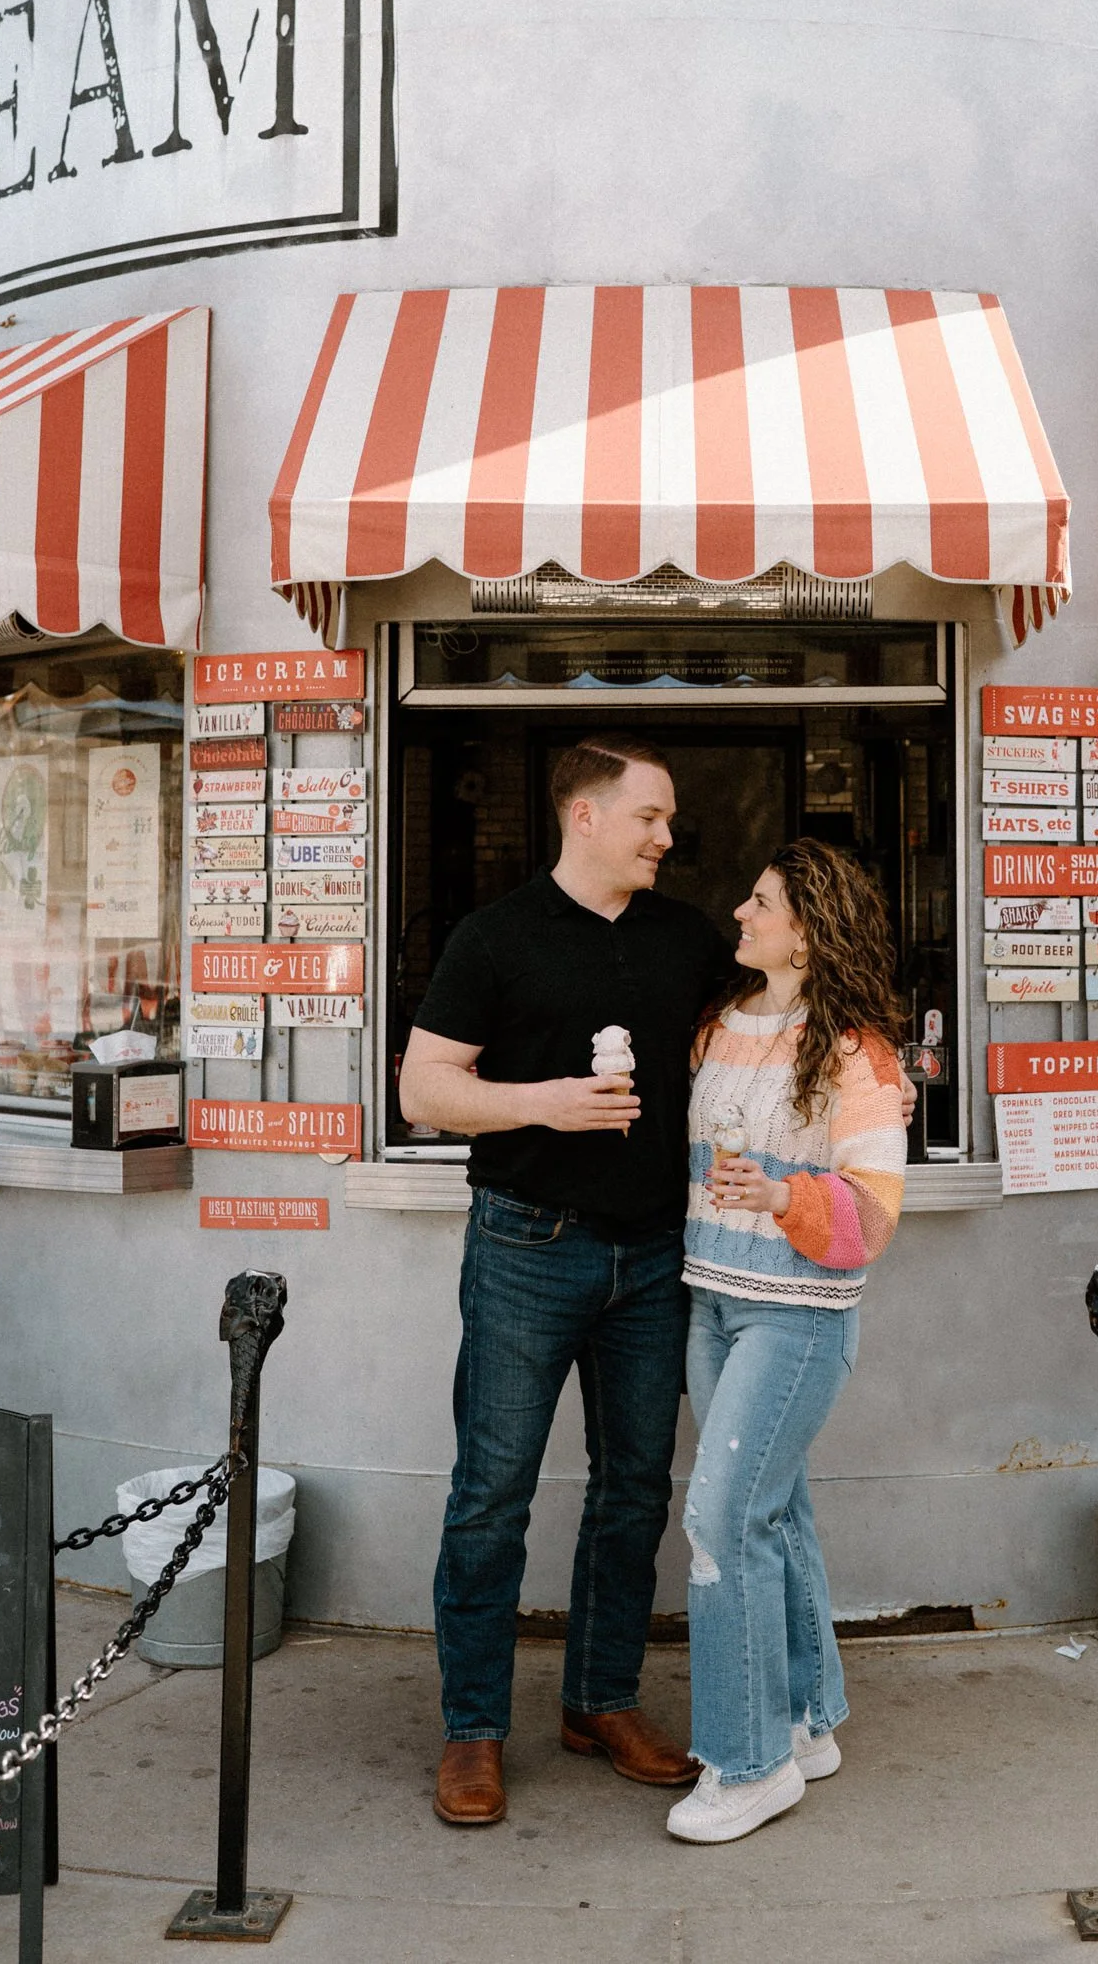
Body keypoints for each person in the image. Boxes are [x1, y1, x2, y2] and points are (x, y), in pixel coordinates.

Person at [399, 737, 733, 1828]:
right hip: (525, 1246)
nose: (666, 836)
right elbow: (423, 1090)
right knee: (490, 1494)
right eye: (649, 815)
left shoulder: (686, 937)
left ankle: (599, 1701)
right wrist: (545, 1101)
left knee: (634, 1490)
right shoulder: (492, 938)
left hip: (654, 1256)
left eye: (669, 817)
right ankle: (472, 1729)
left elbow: (764, 1034)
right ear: (584, 815)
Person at [665, 839, 908, 1844]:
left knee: (720, 1523)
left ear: (806, 929)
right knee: (775, 1513)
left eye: (759, 901)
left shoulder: (856, 1051)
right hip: (710, 1303)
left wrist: (781, 1194)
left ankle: (748, 1763)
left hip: (797, 1316)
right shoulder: (717, 1028)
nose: (738, 911)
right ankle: (807, 1721)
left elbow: (875, 1215)